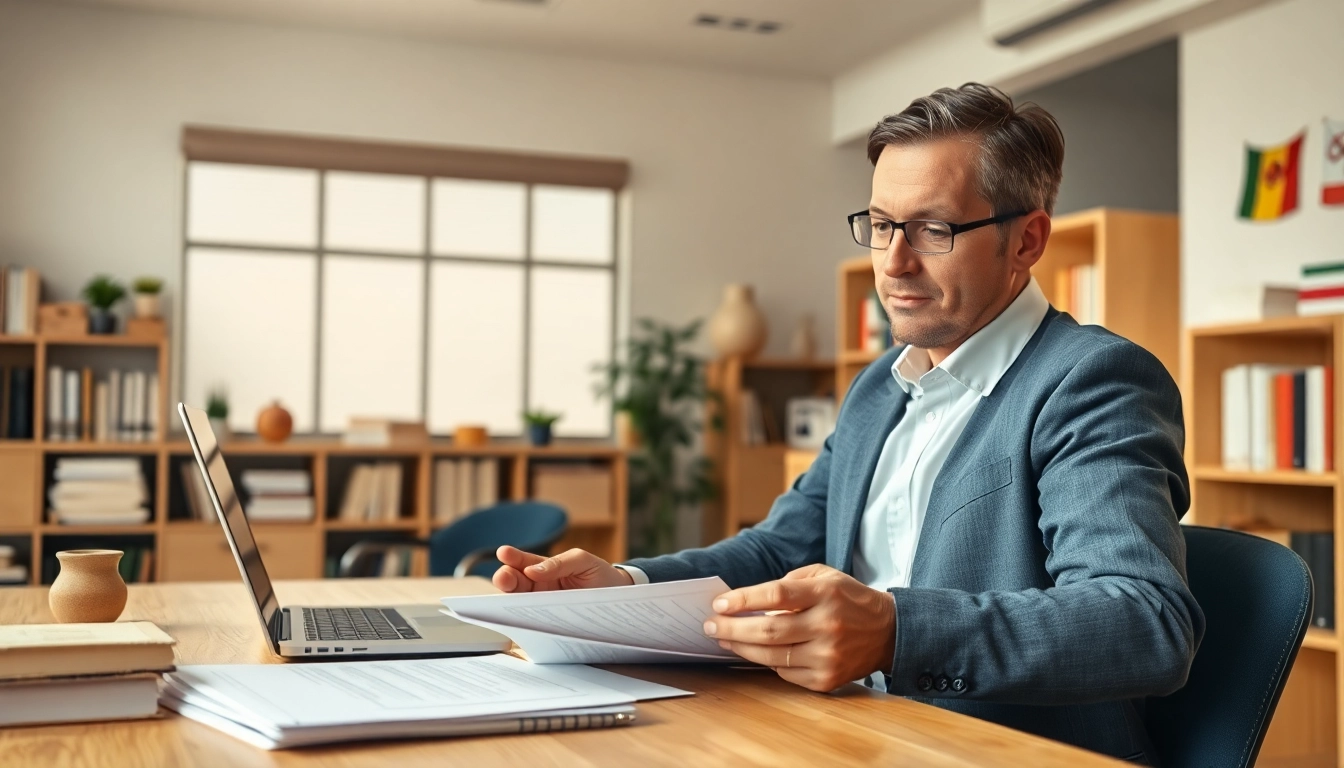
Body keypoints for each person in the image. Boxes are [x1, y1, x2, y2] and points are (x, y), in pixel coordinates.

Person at [493, 82, 1203, 764]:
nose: (892, 263)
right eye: (883, 225)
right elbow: (780, 552)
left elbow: (1145, 620)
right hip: (847, 734)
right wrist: (624, 589)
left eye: (933, 229)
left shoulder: (1091, 381)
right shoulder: (879, 387)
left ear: (1026, 241)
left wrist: (895, 633)